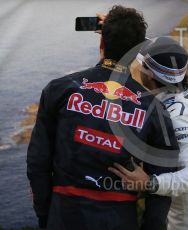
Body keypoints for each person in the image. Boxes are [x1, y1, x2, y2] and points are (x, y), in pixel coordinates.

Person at [27, 6, 179, 230]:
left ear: (102, 43)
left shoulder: (59, 89)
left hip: (64, 216)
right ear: (136, 52)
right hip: (118, 219)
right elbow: (163, 186)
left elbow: (37, 163)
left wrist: (45, 216)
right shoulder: (154, 109)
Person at [108, 37, 188, 230]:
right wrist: (118, 30)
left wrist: (150, 183)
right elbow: (167, 52)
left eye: (142, 65)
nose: (138, 68)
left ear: (150, 74)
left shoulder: (177, 117)